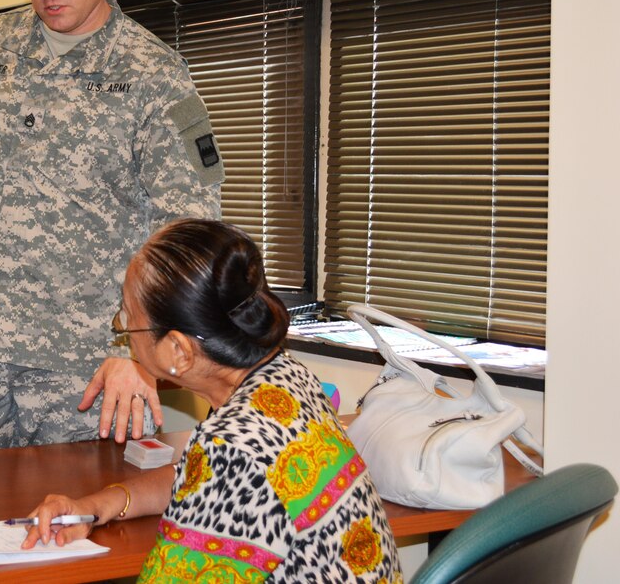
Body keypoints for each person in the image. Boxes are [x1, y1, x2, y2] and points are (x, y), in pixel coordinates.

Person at [0, 0, 224, 448]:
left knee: (94, 524)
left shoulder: (155, 74)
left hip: (93, 374)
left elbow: (190, 234)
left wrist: (139, 356)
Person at [22, 219, 403, 582]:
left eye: (126, 318)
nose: (122, 329)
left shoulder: (232, 447)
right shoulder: (286, 377)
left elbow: (227, 473)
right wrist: (99, 505)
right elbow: (194, 476)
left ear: (177, 350)